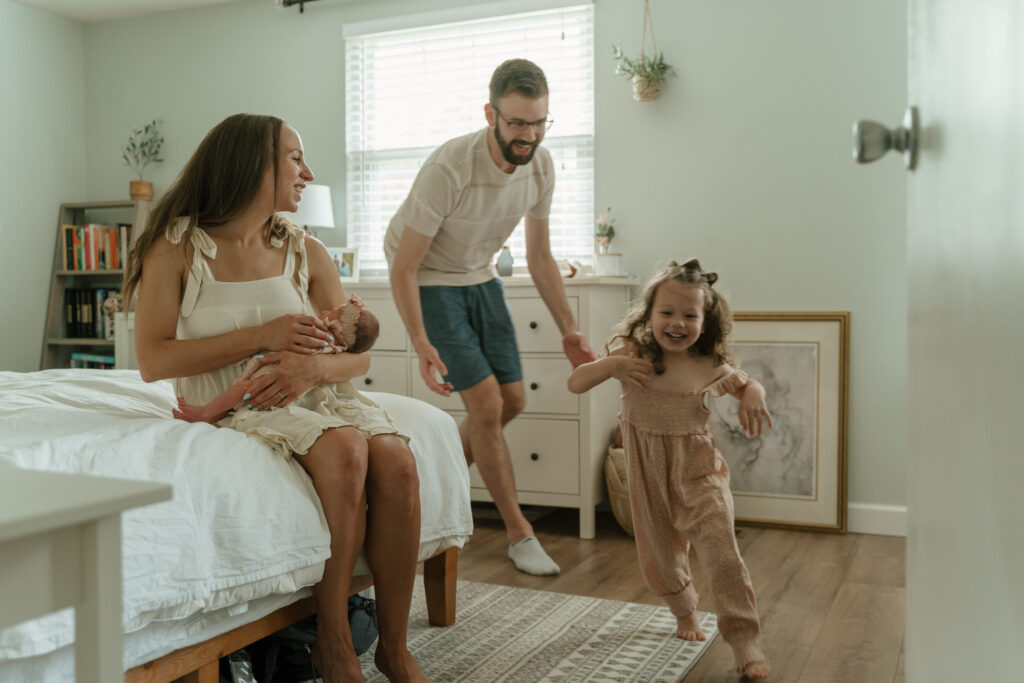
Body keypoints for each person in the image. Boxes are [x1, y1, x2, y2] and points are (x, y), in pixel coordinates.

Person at [123, 113, 428, 683]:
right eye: (295, 158)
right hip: (243, 404)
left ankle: (394, 646)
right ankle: (334, 639)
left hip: (316, 392)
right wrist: (263, 336)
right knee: (345, 452)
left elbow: (358, 355)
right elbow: (154, 361)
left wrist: (314, 367)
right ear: (252, 164)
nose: (307, 172)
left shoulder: (305, 250)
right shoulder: (177, 249)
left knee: (400, 461)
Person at [385, 58, 597, 576]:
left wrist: (569, 328)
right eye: (518, 123)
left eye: (539, 122)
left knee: (513, 401)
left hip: (479, 275)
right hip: (430, 276)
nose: (529, 135)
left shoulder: (541, 167)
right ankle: (518, 534)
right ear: (491, 115)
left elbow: (540, 256)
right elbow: (404, 264)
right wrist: (419, 340)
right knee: (484, 406)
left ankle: (429, 484)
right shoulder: (450, 168)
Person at [567, 259, 773, 680]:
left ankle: (744, 640)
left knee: (722, 552)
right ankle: (685, 613)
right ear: (648, 314)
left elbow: (745, 383)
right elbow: (577, 383)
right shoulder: (631, 355)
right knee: (660, 556)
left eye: (689, 315)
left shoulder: (708, 362)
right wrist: (609, 367)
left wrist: (753, 393)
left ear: (705, 320)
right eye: (667, 312)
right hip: (647, 473)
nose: (677, 323)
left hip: (699, 472)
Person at [171, 294, 379, 424]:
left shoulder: (322, 336)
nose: (327, 310)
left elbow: (362, 361)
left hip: (278, 374)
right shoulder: (335, 344)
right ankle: (215, 412)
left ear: (340, 327)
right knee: (242, 391)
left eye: (335, 311)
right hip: (287, 374)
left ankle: (206, 413)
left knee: (243, 389)